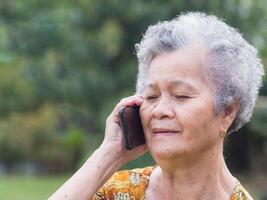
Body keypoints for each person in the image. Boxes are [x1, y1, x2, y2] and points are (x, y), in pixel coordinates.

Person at [49, 12, 264, 200]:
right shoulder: (116, 192)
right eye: (151, 96)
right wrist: (109, 155)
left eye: (181, 96)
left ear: (227, 111)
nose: (160, 110)